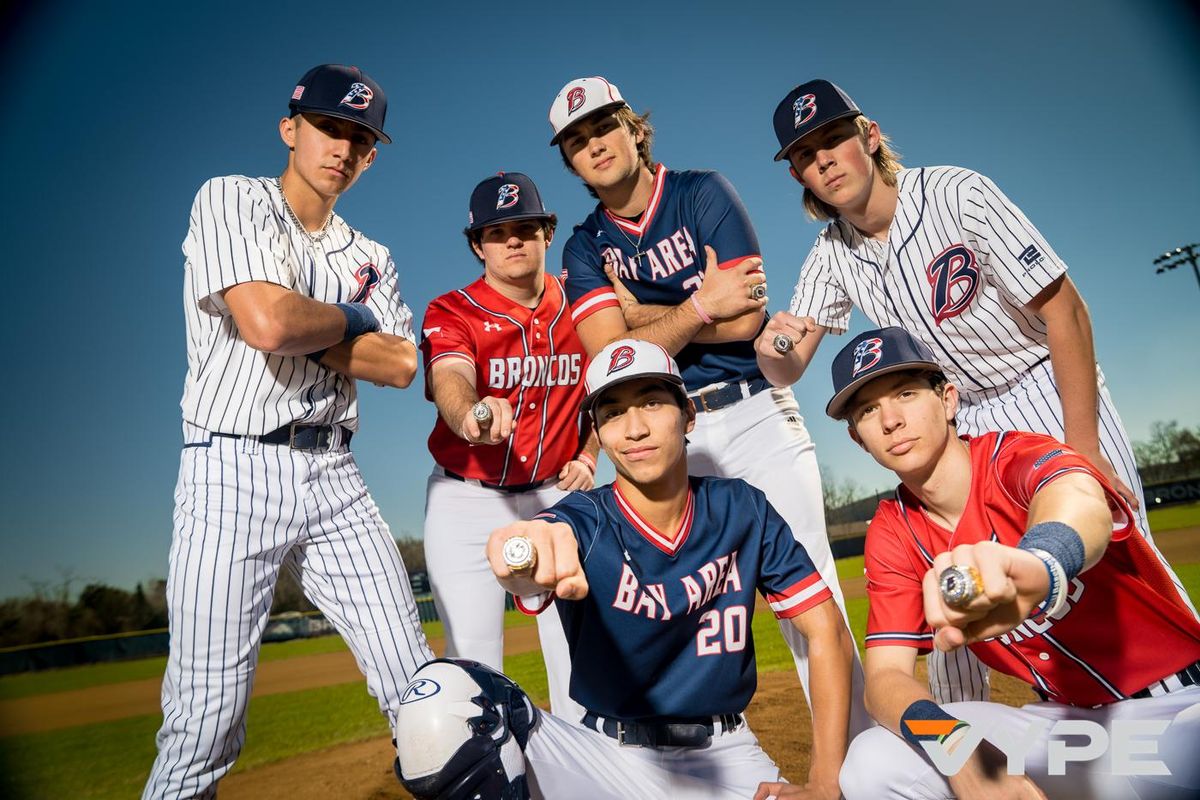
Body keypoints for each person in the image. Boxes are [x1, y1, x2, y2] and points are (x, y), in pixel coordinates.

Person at [756, 78, 1194, 703]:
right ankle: (972, 742)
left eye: (833, 138)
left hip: (1041, 380)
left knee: (1120, 560)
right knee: (962, 586)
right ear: (798, 174)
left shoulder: (956, 193)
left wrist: (1083, 445)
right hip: (958, 418)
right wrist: (770, 341)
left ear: (869, 136)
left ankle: (1187, 686)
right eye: (805, 154)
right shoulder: (831, 254)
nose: (823, 159)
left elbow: (1064, 312)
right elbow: (786, 367)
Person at [143, 64, 433, 798]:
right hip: (230, 471)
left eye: (362, 139)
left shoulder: (374, 256)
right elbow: (268, 323)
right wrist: (353, 320)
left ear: (373, 155)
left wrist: (304, 321)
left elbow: (400, 366)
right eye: (332, 127)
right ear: (291, 128)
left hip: (336, 475)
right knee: (205, 724)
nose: (344, 147)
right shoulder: (232, 198)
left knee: (421, 686)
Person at [395, 339, 854, 800]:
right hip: (600, 756)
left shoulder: (741, 508)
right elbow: (534, 543)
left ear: (688, 415)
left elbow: (826, 631)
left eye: (652, 402)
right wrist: (516, 546)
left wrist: (825, 781)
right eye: (612, 413)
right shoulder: (584, 519)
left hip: (725, 754)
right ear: (598, 431)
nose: (634, 428)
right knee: (442, 698)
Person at [546, 76, 867, 726]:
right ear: (570, 162)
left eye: (605, 126)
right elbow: (612, 355)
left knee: (810, 597)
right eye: (577, 141)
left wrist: (640, 312)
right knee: (674, 610)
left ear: (635, 128)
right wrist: (698, 305)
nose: (596, 145)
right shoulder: (583, 246)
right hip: (657, 436)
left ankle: (859, 767)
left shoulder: (701, 193)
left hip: (753, 412)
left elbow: (746, 318)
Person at [822, 326, 1200, 799]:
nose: (891, 420)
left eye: (905, 393)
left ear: (949, 400)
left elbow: (1078, 500)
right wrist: (955, 750)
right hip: (1067, 730)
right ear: (860, 440)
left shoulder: (1016, 456)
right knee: (873, 763)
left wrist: (1043, 563)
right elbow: (884, 681)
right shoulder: (893, 529)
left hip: (1178, 714)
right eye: (868, 410)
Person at [419, 171, 597, 722]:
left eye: (526, 226)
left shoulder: (586, 301)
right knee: (475, 666)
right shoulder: (451, 310)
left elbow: (612, 383)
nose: (514, 239)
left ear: (548, 232)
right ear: (478, 245)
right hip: (466, 500)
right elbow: (450, 376)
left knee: (578, 654)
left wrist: (591, 453)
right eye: (498, 232)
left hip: (555, 497)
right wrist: (472, 411)